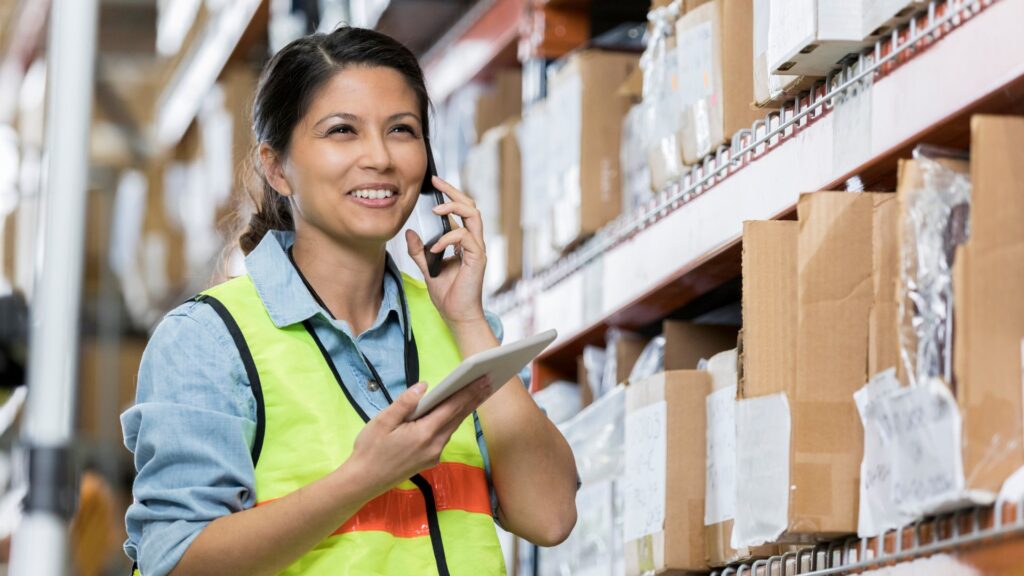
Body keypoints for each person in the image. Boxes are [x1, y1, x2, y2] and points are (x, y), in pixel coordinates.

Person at [121, 26, 578, 576]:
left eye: (402, 130)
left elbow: (550, 516)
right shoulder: (209, 340)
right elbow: (175, 563)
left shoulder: (454, 326)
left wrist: (469, 320)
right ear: (276, 167)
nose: (380, 158)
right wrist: (363, 477)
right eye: (342, 131)